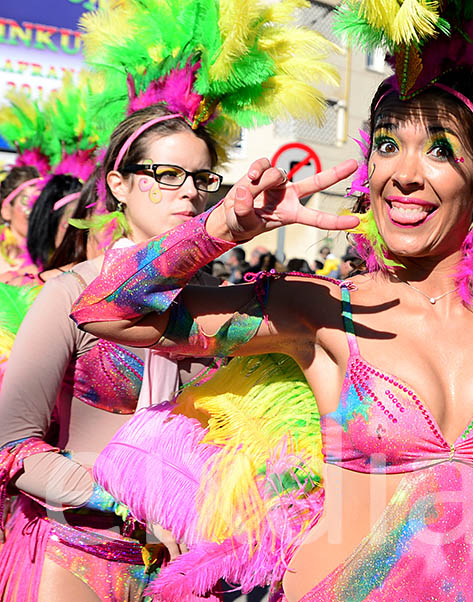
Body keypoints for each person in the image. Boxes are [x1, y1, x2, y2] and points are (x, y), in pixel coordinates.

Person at [69, 4, 473, 600]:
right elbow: (102, 312)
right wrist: (217, 232)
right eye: (388, 144)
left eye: (441, 149)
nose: (406, 172)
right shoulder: (320, 308)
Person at [0, 0, 339, 597]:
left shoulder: (223, 306)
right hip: (79, 552)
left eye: (203, 179)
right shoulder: (71, 294)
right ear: (118, 185)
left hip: (191, 569)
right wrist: (135, 500)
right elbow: (12, 445)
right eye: (166, 175)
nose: (186, 194)